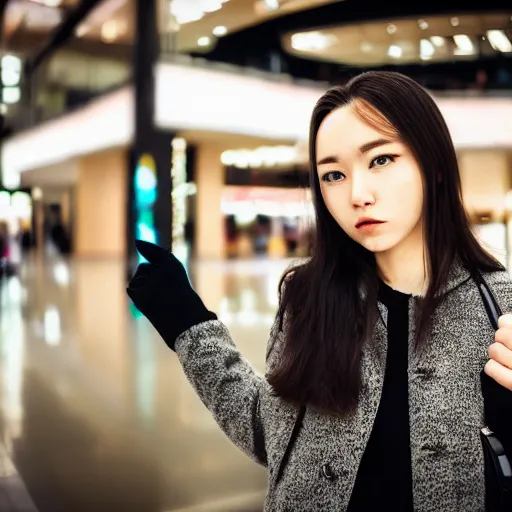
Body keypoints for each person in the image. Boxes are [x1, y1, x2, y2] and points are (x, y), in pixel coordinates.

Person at [126, 71, 512, 511]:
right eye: (333, 175)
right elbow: (270, 435)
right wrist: (188, 323)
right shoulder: (308, 296)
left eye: (381, 160)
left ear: (436, 166)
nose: (357, 194)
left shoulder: (502, 306)